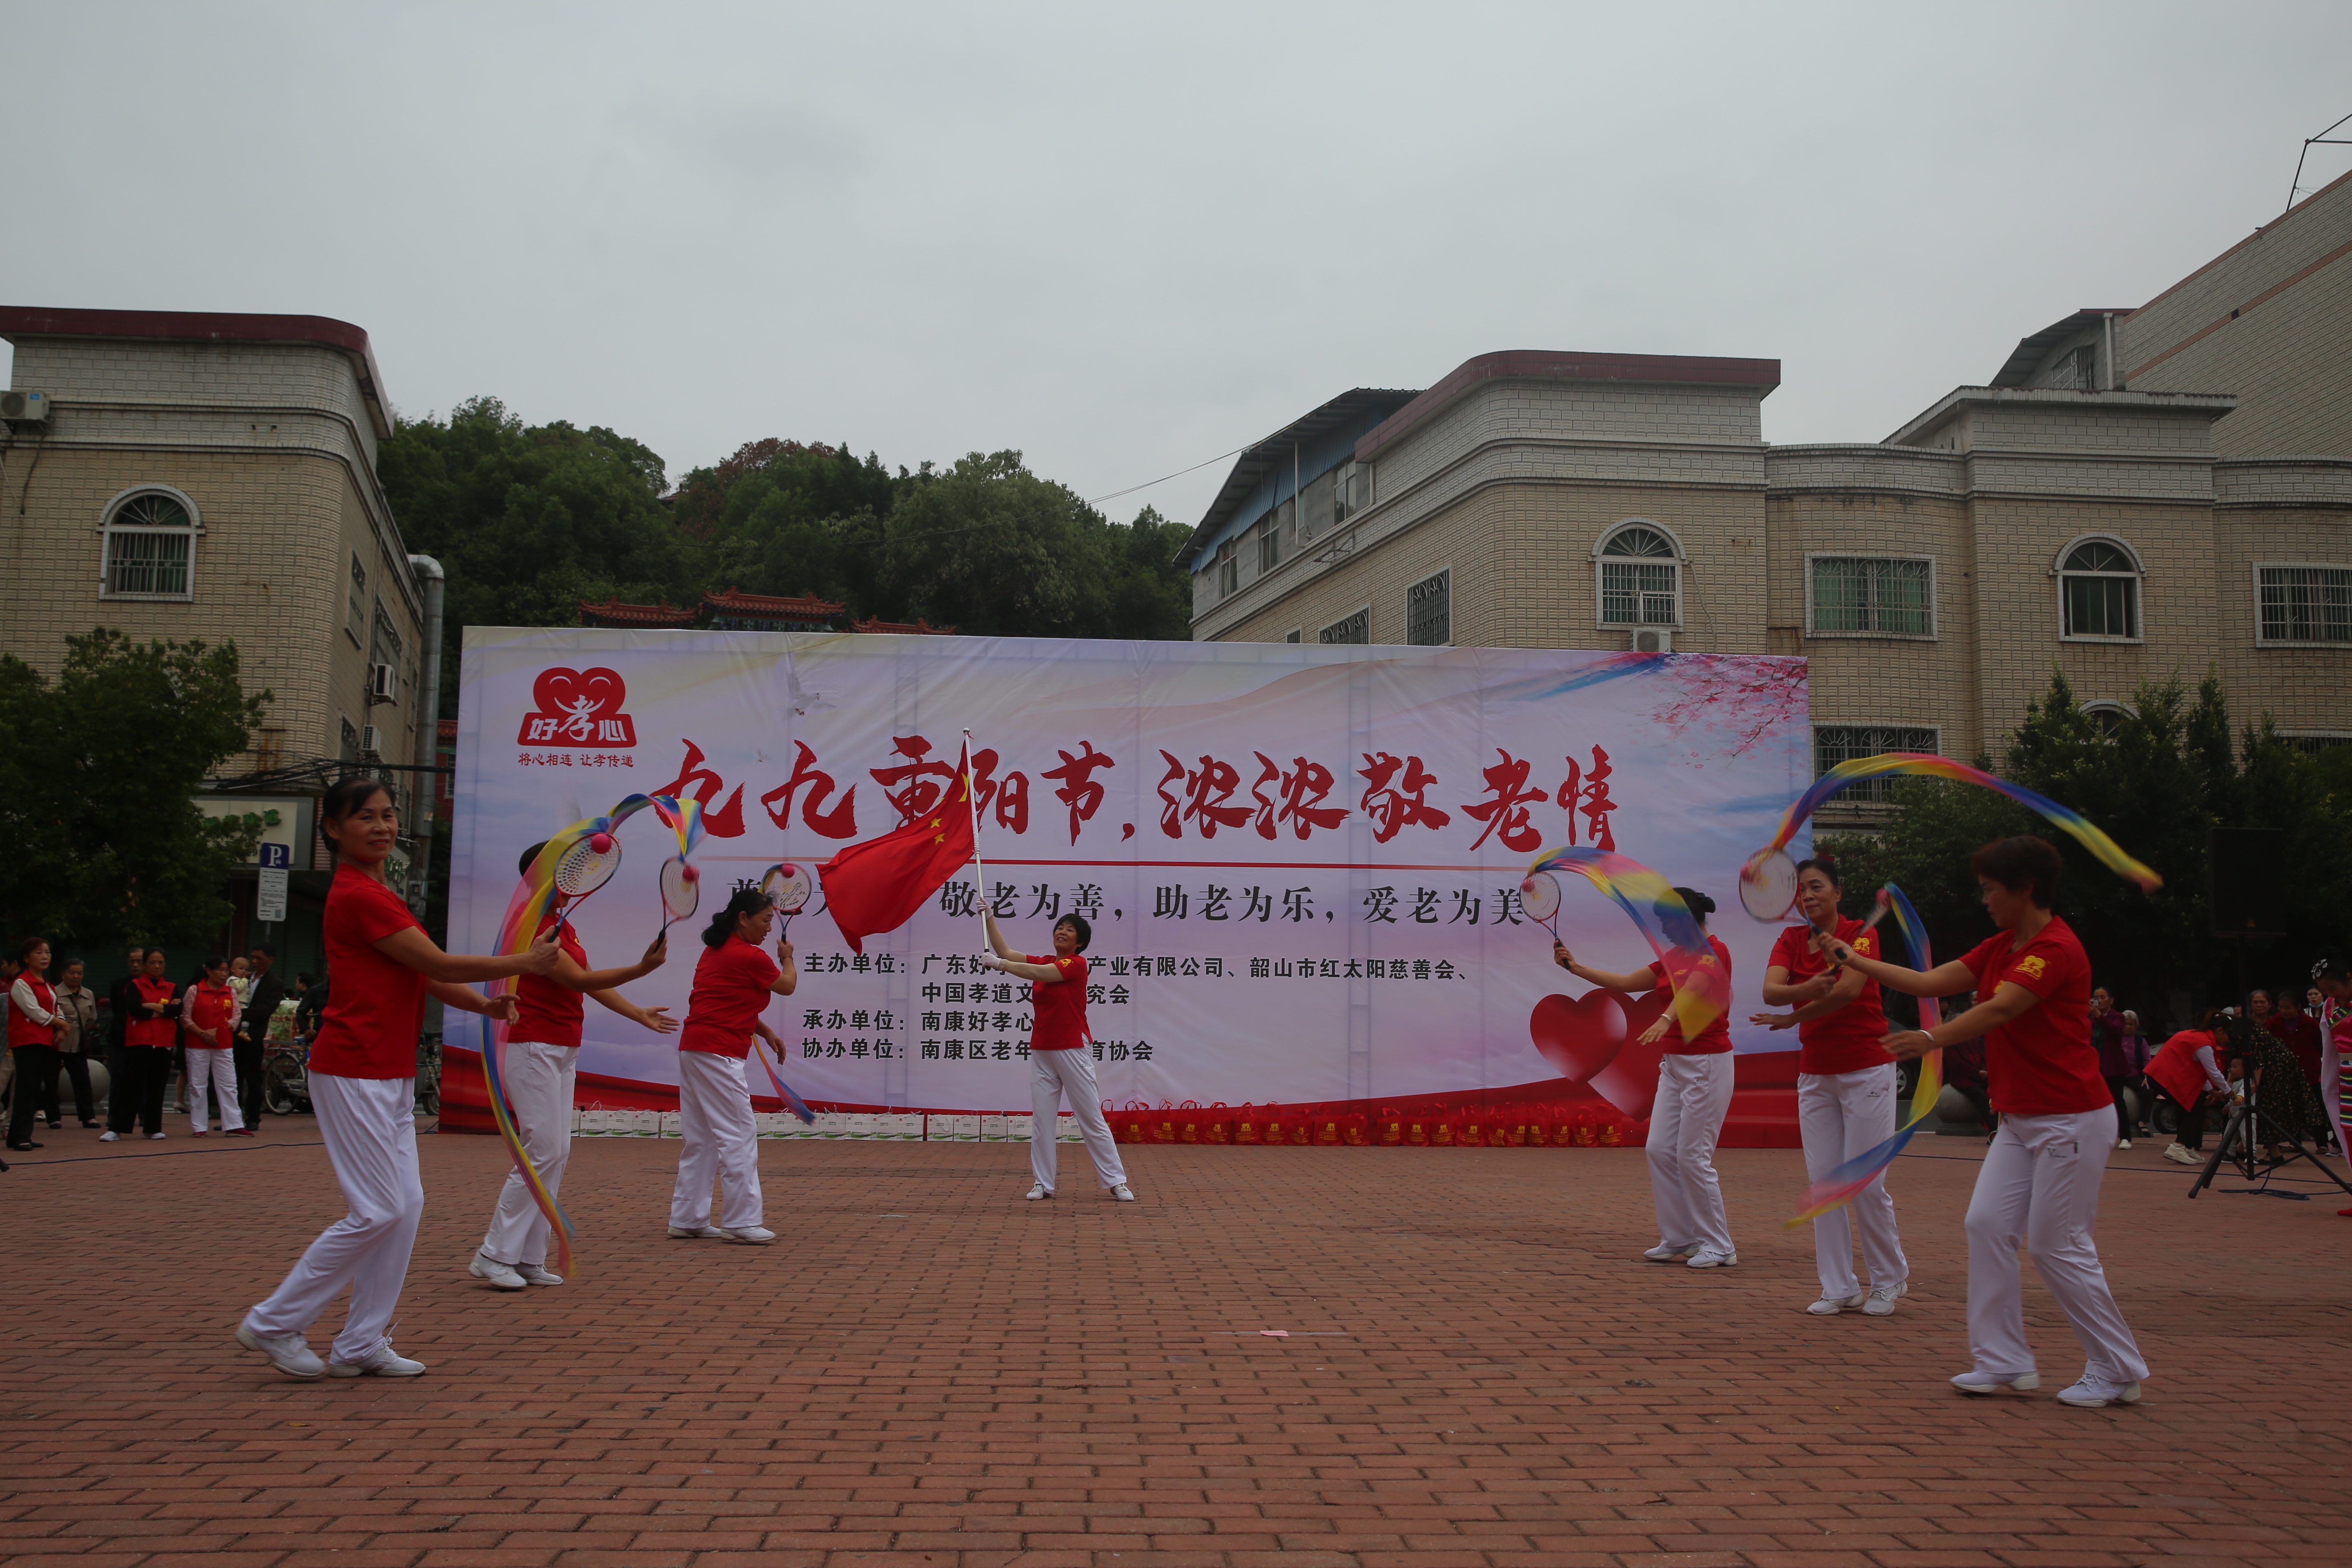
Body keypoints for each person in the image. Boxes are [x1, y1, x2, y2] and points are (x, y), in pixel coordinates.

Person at [236, 777, 557, 1382]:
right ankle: (275, 1321)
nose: (382, 826)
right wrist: (522, 965)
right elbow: (435, 961)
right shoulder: (359, 894)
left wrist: (483, 1004)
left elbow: (422, 975)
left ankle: (360, 1343)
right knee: (378, 1209)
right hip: (353, 1066)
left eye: (388, 816)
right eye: (366, 817)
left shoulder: (380, 894)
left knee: (405, 1206)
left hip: (387, 1069)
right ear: (333, 828)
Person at [1817, 835, 2147, 1408]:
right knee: (1987, 1226)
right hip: (2019, 1119)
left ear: (2026, 889)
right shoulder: (2000, 946)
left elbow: (2000, 1009)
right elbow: (1929, 982)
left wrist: (1929, 1039)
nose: (1986, 900)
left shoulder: (2055, 948)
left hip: (2072, 1118)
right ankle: (2003, 1361)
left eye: (1992, 890)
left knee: (2057, 1245)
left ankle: (2118, 1367)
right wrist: (1854, 958)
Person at [472, 841, 676, 1290]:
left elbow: (585, 984)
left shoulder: (564, 925)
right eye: (563, 868)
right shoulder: (531, 926)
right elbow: (579, 979)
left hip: (562, 1046)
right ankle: (494, 1254)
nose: (575, 873)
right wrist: (642, 969)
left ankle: (527, 1257)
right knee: (542, 1150)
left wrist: (636, 1012)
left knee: (557, 1153)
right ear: (537, 879)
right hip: (531, 1046)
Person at [1751, 857, 1908, 1314]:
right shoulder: (1792, 939)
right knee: (1825, 1185)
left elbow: (1848, 992)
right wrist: (1807, 990)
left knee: (1865, 1182)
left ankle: (1888, 1279)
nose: (1809, 896)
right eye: (1801, 891)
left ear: (1838, 893)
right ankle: (1839, 1286)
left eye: (1817, 887)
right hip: (1817, 1074)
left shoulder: (1863, 934)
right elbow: (1770, 991)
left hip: (1866, 1069)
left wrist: (1795, 1014)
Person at [1554, 886, 1734, 1266]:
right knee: (1660, 1150)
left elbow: (1696, 990)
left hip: (1707, 1063)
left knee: (1692, 1156)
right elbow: (1625, 983)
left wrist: (1666, 1018)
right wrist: (1576, 967)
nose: (1664, 928)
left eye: (1667, 920)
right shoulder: (1672, 958)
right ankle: (1680, 1238)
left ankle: (1720, 1245)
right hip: (1675, 1065)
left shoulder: (1715, 951)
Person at [670, 884, 798, 1243]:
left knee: (703, 1138)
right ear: (743, 919)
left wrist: (765, 1030)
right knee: (739, 1134)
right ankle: (741, 1221)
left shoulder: (715, 950)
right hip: (718, 1050)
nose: (770, 928)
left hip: (696, 1047)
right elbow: (787, 986)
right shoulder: (751, 956)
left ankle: (688, 1217)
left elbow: (726, 998)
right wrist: (788, 957)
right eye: (765, 920)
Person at [980, 907, 1134, 1204]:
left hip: (1072, 1048)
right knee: (1043, 1121)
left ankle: (1117, 1181)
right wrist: (989, 918)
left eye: (1070, 929)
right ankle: (1043, 1183)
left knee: (1090, 1116)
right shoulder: (1048, 959)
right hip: (1042, 1049)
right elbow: (1007, 951)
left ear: (1079, 942)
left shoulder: (1076, 964)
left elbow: (1037, 974)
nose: (1062, 931)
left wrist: (1000, 965)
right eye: (1059, 927)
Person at [2238, 989, 2328, 1163]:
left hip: (2308, 1071)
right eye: (2282, 1008)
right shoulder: (2274, 1024)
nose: (2284, 1011)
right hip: (2279, 1075)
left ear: (2298, 1007)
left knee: (2315, 1107)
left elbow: (2321, 1046)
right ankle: (2285, 1144)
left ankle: (2322, 1142)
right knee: (2282, 1110)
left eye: (2288, 1008)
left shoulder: (2311, 1024)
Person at [2147, 1010, 2233, 1166]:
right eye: (2228, 1036)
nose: (2228, 1041)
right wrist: (2230, 1093)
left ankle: (2186, 1146)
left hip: (2162, 1077)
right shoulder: (2204, 1044)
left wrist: (2213, 1091)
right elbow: (2213, 1073)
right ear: (2220, 1031)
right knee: (2194, 1109)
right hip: (2164, 1078)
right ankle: (2179, 1146)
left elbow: (2201, 1072)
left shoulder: (2197, 1037)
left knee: (2190, 1107)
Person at [111, 948, 180, 1142]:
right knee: (131, 1086)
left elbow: (178, 1008)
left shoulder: (172, 987)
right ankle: (117, 1128)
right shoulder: (134, 986)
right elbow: (135, 1011)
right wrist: (165, 1010)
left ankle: (152, 1128)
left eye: (161, 963)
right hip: (138, 1042)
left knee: (157, 1087)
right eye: (152, 962)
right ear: (144, 965)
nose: (157, 966)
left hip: (163, 1043)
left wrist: (151, 1007)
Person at [8, 938, 63, 1152]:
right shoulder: (22, 982)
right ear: (26, 958)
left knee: (33, 1088)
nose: (44, 956)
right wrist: (60, 1024)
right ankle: (21, 1135)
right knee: (26, 1088)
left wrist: (62, 1025)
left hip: (43, 1040)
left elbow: (57, 1009)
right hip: (26, 1040)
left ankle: (19, 1135)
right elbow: (34, 1011)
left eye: (47, 952)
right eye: (38, 952)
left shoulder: (49, 986)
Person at [180, 957, 245, 1137]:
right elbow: (186, 1018)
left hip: (223, 1044)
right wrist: (203, 1033)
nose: (224, 974)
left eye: (226, 971)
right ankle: (199, 1126)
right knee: (198, 1085)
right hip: (197, 1044)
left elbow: (236, 1016)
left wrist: (220, 1030)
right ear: (209, 971)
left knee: (229, 1083)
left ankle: (234, 1124)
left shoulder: (230, 992)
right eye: (221, 970)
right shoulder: (195, 990)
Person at [2311, 958, 2352, 1214]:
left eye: (2334, 988)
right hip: (2348, 1074)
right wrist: (2328, 1084)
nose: (2330, 994)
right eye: (2325, 990)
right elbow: (2329, 1047)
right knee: (2350, 1133)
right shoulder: (2330, 1006)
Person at [43, 958, 100, 1130]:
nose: (76, 976)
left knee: (83, 1080)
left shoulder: (88, 994)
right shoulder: (53, 993)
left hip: (78, 1045)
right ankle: (53, 1118)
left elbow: (92, 1017)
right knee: (51, 1082)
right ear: (63, 974)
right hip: (55, 1044)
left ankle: (88, 1117)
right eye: (72, 973)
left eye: (80, 973)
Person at [236, 944, 287, 1133]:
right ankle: (233, 1118)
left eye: (259, 959)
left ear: (270, 960)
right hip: (234, 1033)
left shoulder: (275, 983)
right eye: (253, 958)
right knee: (232, 1078)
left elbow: (266, 1010)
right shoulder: (244, 979)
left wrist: (241, 1014)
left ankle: (252, 1118)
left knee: (252, 1079)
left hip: (254, 1036)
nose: (255, 962)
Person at [101, 947, 149, 1142]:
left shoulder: (152, 985)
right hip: (121, 1037)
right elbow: (118, 1009)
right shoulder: (118, 984)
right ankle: (114, 1118)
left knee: (145, 1080)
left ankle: (146, 1119)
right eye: (132, 961)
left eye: (139, 961)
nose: (136, 965)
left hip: (145, 1039)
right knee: (119, 1078)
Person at [2091, 987, 2135, 1149]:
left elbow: (2115, 1030)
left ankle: (2125, 1137)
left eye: (2103, 997)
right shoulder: (2091, 1020)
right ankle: (2099, 1136)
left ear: (2111, 1000)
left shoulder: (2117, 1017)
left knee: (2117, 1101)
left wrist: (2098, 1015)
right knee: (2095, 1104)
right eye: (2096, 998)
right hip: (2095, 1068)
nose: (2100, 1000)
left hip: (2113, 1067)